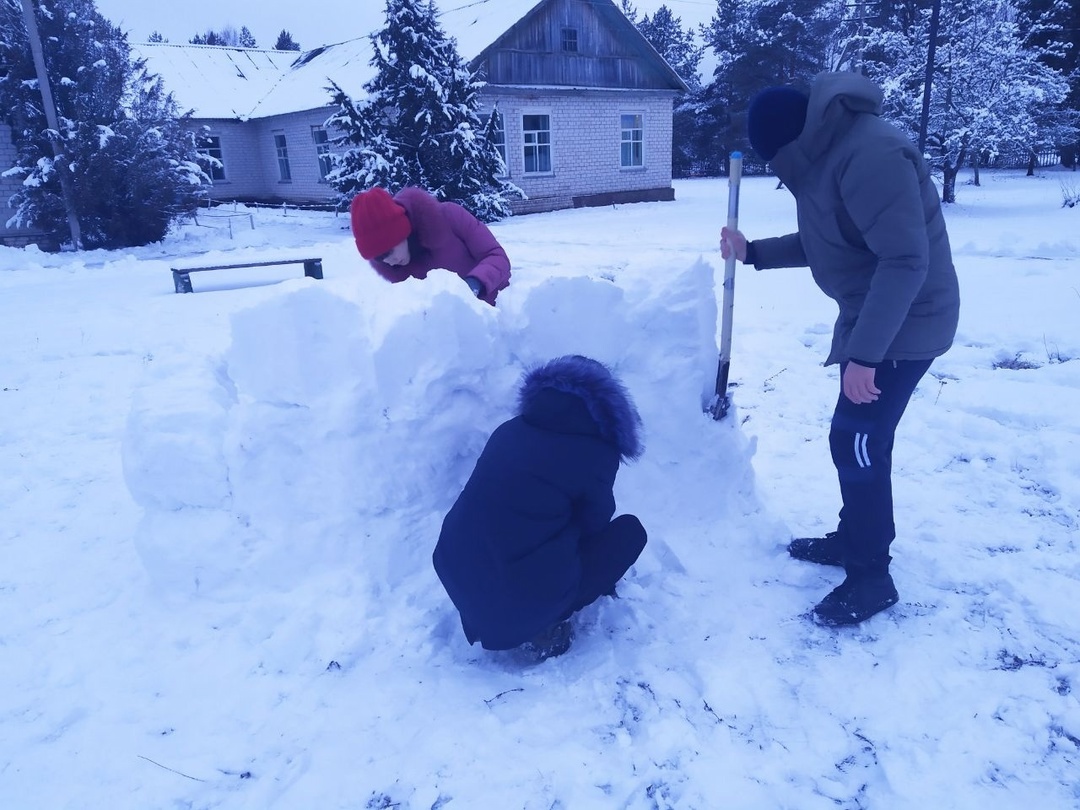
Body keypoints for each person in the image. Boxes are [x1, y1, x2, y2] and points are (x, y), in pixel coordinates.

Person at [720, 71, 960, 627]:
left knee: (855, 440)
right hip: (876, 317)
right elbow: (828, 241)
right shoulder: (830, 155)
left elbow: (904, 260)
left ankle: (870, 576)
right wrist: (753, 251)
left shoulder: (869, 156)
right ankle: (854, 536)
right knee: (858, 438)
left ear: (787, 142)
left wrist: (866, 356)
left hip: (908, 322)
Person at [433, 355, 648, 662]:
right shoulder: (596, 453)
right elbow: (594, 526)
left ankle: (503, 606)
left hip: (455, 567)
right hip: (514, 597)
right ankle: (543, 628)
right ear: (607, 408)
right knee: (629, 533)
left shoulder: (509, 430)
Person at [349, 186, 511, 306]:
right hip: (457, 340)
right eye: (380, 258)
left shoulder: (449, 216)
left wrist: (476, 283)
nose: (389, 262)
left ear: (402, 232)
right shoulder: (397, 270)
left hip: (500, 316)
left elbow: (497, 256)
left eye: (389, 251)